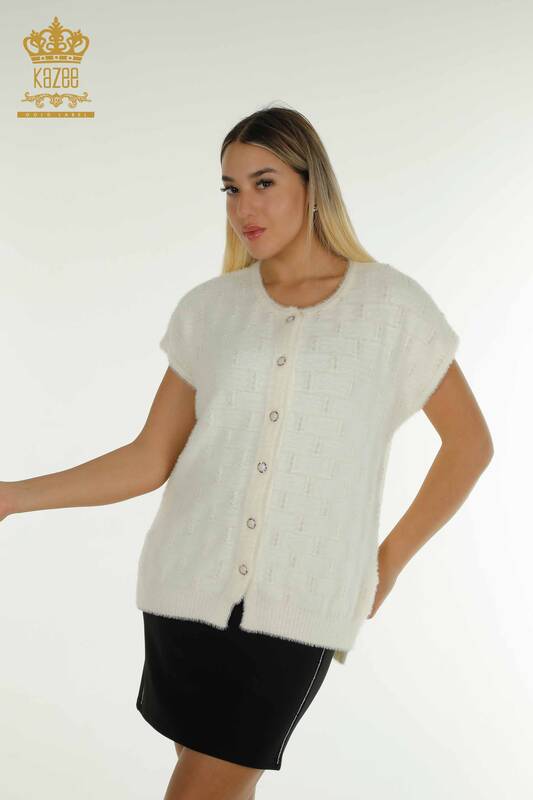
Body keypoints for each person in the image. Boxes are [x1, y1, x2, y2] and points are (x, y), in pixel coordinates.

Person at [0, 105, 494, 800]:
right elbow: (149, 457)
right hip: (183, 593)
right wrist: (13, 496)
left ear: (311, 185)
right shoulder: (210, 310)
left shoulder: (391, 308)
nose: (243, 208)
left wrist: (388, 559)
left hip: (299, 605)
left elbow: (470, 445)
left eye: (264, 183)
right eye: (231, 189)